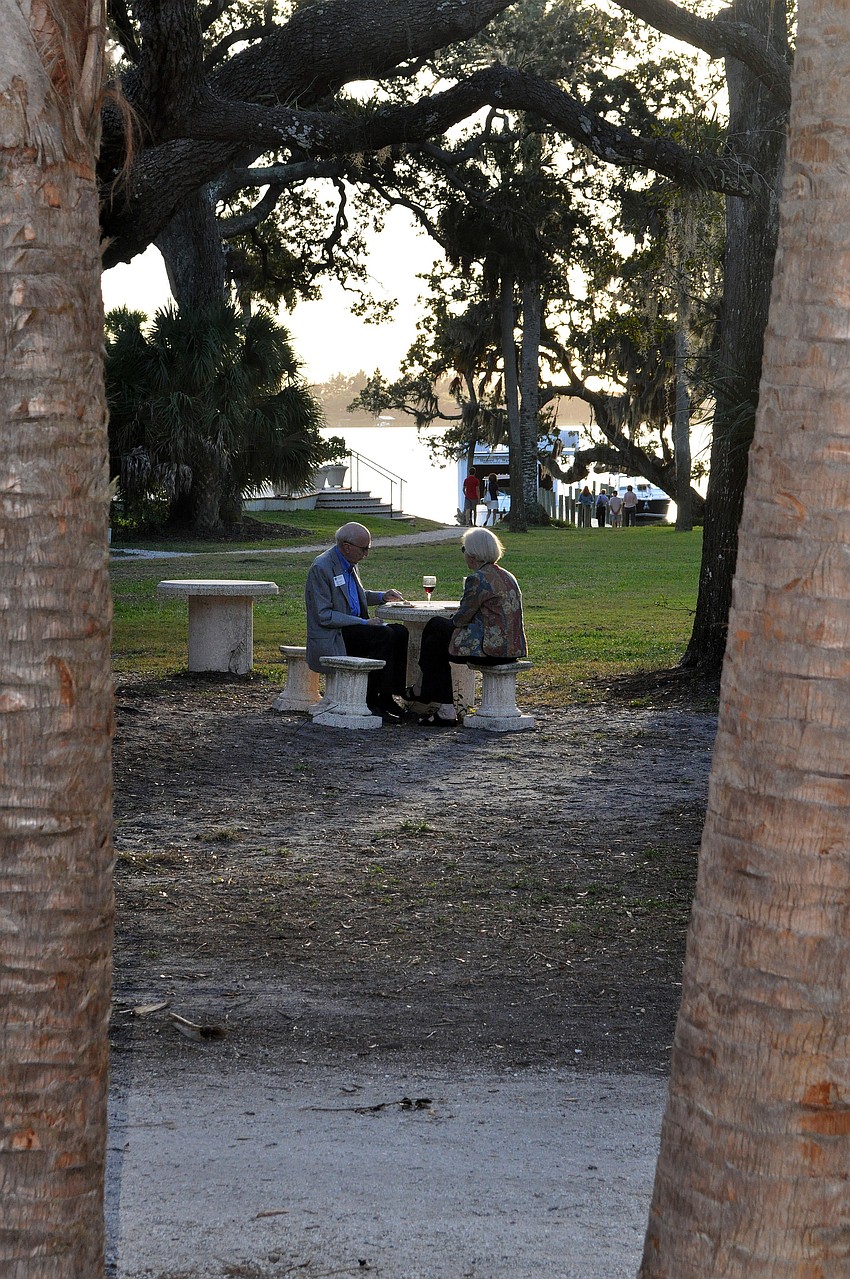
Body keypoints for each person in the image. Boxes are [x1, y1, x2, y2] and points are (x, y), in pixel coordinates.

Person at [406, 527, 528, 727]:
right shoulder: (507, 576)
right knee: (435, 641)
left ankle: (432, 696)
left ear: (473, 554)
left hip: (489, 649)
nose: (464, 555)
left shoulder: (478, 578)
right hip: (512, 648)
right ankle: (427, 693)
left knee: (435, 626)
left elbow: (461, 619)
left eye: (464, 550)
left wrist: (452, 620)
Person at [304, 521, 409, 720]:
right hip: (335, 633)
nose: (366, 554)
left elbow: (352, 596)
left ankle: (387, 696)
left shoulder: (350, 563)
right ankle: (370, 700)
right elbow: (323, 615)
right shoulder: (322, 567)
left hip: (355, 627)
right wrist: (362, 622)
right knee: (384, 635)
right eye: (364, 549)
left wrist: (381, 596)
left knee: (400, 632)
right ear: (347, 546)